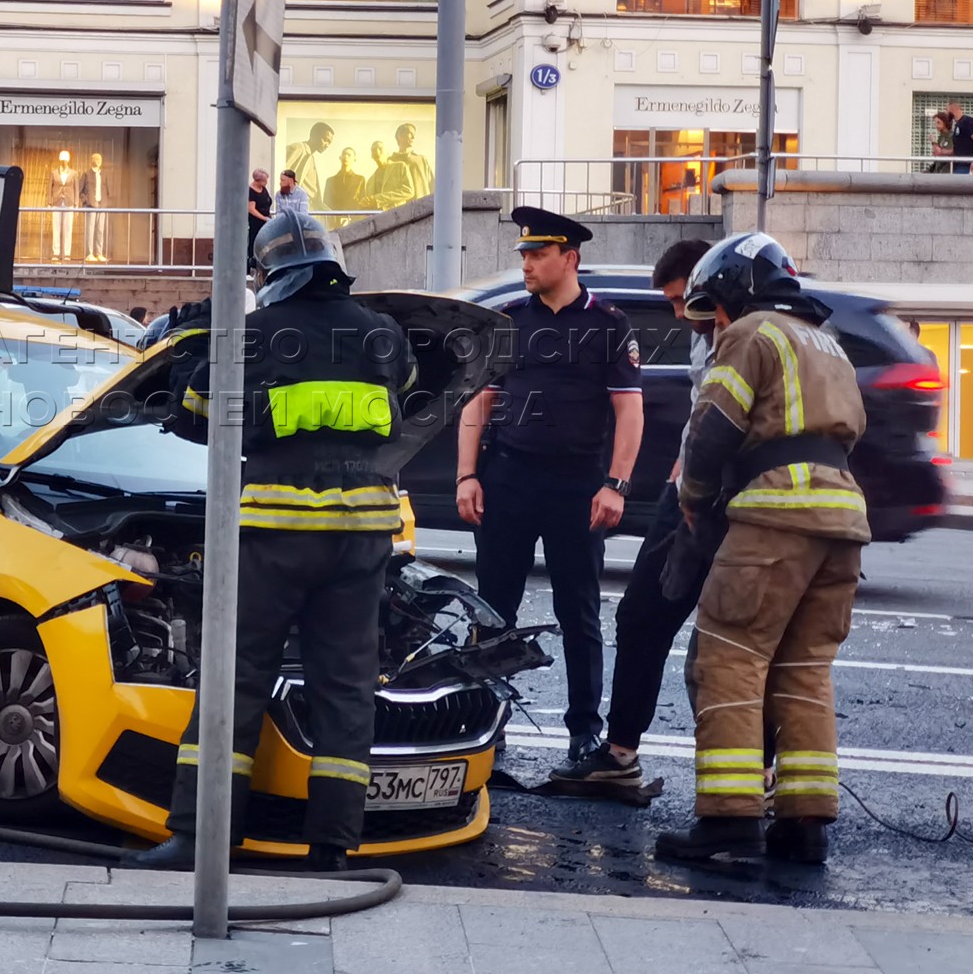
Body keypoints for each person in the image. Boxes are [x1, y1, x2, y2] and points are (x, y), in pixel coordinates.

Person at [132, 212, 417, 873]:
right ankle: (333, 847)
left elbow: (197, 414)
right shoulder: (382, 335)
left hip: (272, 535)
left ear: (271, 274)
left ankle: (201, 837)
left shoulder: (252, 336)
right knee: (345, 691)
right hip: (359, 540)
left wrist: (190, 355)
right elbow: (407, 402)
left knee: (236, 681)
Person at [655, 232, 870, 865]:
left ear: (734, 294)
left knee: (729, 661)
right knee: (805, 671)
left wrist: (693, 498)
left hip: (775, 516)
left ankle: (728, 821)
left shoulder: (751, 334)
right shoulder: (828, 344)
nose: (712, 326)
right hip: (842, 523)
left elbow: (713, 426)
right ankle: (802, 827)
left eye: (712, 311)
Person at [455, 206, 645, 763]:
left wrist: (617, 484)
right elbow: (478, 401)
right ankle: (487, 729)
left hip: (576, 486)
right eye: (524, 255)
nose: (527, 265)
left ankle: (584, 732)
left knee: (579, 611)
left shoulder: (608, 324)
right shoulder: (511, 320)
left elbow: (629, 412)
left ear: (570, 258)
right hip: (508, 477)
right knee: (493, 613)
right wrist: (467, 474)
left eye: (538, 255)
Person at [551, 238, 715, 792]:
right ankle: (619, 756)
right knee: (649, 619)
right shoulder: (711, 339)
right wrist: (676, 474)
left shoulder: (741, 338)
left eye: (680, 297)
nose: (677, 313)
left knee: (718, 643)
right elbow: (702, 419)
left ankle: (626, 758)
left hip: (715, 501)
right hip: (692, 491)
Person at [283, 122, 333, 209]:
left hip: (312, 207)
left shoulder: (311, 157)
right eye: (325, 139)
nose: (327, 145)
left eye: (329, 143)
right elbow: (280, 170)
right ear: (314, 135)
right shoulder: (298, 148)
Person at [324, 148, 367, 230]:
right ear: (340, 157)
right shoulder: (330, 180)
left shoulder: (360, 179)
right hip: (334, 223)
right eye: (344, 154)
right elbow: (326, 203)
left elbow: (362, 202)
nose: (346, 156)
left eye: (349, 155)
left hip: (353, 222)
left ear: (354, 159)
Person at [48, 150, 79, 262]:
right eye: (62, 160)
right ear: (60, 160)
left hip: (69, 202)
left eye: (66, 160)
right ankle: (56, 252)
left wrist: (76, 204)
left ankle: (67, 253)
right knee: (56, 228)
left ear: (68, 160)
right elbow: (49, 189)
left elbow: (76, 188)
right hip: (56, 202)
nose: (64, 162)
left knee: (68, 229)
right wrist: (49, 203)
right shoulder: (54, 172)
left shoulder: (74, 173)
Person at [81, 152, 108, 262]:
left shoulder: (104, 174)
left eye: (99, 159)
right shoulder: (86, 174)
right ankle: (89, 253)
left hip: (102, 205)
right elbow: (81, 191)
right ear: (92, 160)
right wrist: (86, 200)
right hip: (91, 205)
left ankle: (99, 253)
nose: (98, 161)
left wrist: (106, 202)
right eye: (96, 159)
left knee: (100, 230)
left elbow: (108, 190)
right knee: (90, 229)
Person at [247, 169, 273, 268]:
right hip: (256, 222)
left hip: (266, 220)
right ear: (258, 180)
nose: (266, 183)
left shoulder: (263, 188)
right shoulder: (251, 191)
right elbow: (251, 209)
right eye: (265, 181)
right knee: (254, 240)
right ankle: (251, 264)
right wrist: (264, 218)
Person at [948, 100, 973, 174]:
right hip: (957, 164)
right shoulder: (957, 125)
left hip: (966, 165)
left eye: (948, 110)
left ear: (953, 109)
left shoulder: (968, 122)